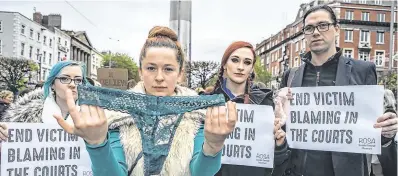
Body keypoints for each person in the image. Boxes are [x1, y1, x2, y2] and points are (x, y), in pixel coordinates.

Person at [52, 26, 239, 176]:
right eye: (151, 68)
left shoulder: (196, 114)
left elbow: (201, 173)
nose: (159, 77)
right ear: (140, 71)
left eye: (168, 69)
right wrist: (97, 143)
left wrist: (213, 146)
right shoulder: (119, 114)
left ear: (180, 74)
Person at [278, 5, 397, 176]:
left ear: (336, 29)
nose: (316, 32)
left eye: (323, 25)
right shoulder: (291, 76)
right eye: (309, 28)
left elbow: (372, 130)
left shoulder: (363, 70)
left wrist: (387, 133)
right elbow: (284, 126)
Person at [210, 41, 289, 176]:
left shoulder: (267, 104)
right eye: (235, 60)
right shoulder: (208, 102)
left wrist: (280, 146)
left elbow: (277, 165)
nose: (240, 67)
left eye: (247, 62)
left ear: (252, 68)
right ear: (224, 64)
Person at [0, 61, 89, 137]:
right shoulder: (23, 115)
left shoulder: (96, 115)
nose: (72, 84)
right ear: (52, 84)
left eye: (78, 80)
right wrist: (3, 135)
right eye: (64, 79)